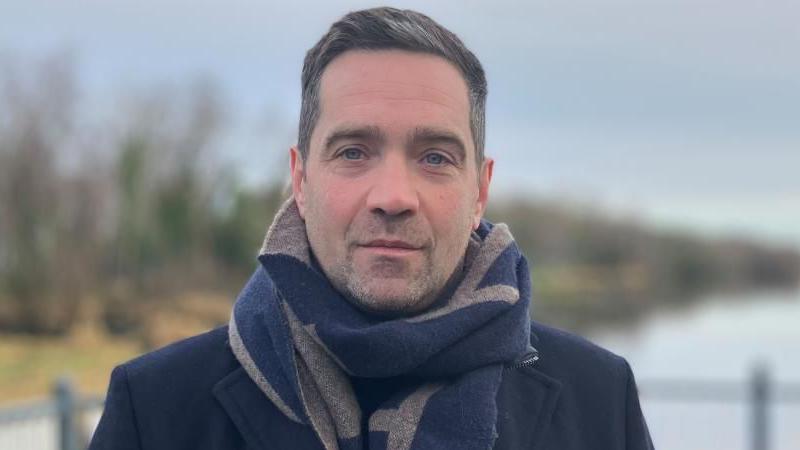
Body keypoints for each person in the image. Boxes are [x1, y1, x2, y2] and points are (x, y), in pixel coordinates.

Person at [89, 7, 654, 450]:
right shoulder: (155, 408)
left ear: (479, 190)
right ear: (301, 180)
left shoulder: (600, 399)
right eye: (354, 151)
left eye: (434, 157)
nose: (392, 197)